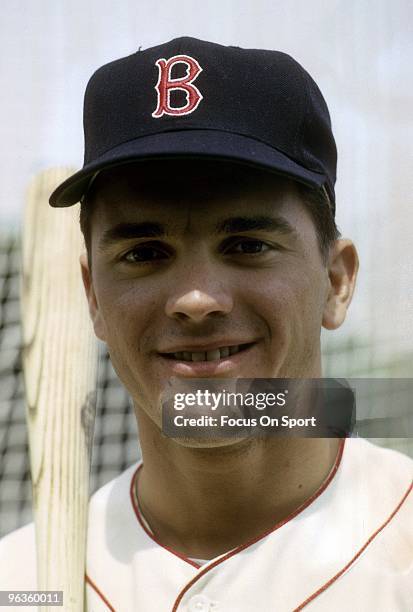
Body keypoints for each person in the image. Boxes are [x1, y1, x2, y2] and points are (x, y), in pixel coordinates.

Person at [1, 37, 412, 611]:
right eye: (144, 253)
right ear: (92, 296)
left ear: (337, 281)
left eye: (247, 244)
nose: (196, 300)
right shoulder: (19, 583)